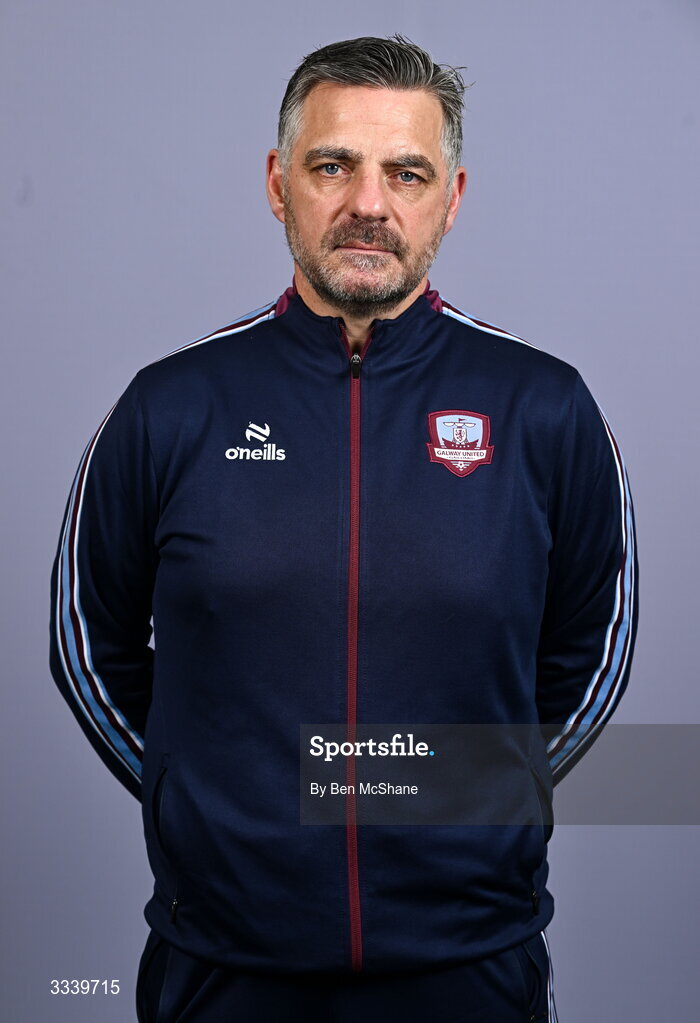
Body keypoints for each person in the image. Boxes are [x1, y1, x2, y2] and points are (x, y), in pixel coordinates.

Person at [48, 33, 638, 1023]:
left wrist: (457, 805)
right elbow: (89, 648)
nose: (370, 203)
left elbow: (590, 659)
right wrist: (211, 801)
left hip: (469, 962)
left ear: (450, 199)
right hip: (224, 965)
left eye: (406, 172)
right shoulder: (168, 408)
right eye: (334, 166)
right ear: (280, 184)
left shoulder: (546, 411)